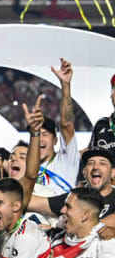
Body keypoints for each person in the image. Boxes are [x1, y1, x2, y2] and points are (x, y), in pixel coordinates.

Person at [33, 59, 78, 195]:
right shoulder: (24, 166)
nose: (40, 139)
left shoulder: (66, 160)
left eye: (45, 134)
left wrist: (65, 85)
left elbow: (66, 124)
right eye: (37, 134)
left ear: (55, 141)